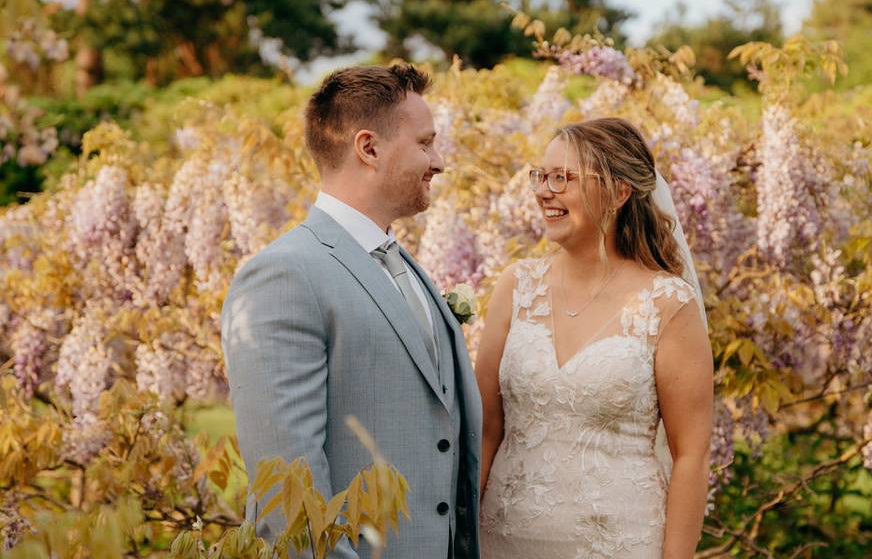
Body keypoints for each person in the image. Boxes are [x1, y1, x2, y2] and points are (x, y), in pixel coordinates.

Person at [221, 64, 482, 559]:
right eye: (425, 143)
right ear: (368, 148)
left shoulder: (407, 267)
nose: (439, 162)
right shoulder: (284, 276)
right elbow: (289, 498)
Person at [476, 117, 713, 558]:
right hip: (503, 542)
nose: (545, 190)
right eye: (541, 176)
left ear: (620, 192)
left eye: (563, 178)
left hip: (619, 543)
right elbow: (487, 429)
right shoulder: (517, 286)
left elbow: (690, 456)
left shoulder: (667, 303)